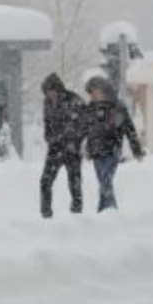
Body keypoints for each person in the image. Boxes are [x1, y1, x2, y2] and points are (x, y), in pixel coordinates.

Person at [85, 76, 145, 212]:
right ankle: (104, 211)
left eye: (94, 92)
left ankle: (110, 210)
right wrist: (86, 148)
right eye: (90, 93)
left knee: (106, 181)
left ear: (103, 90)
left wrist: (137, 151)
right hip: (96, 152)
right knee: (103, 183)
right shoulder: (90, 108)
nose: (92, 96)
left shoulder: (118, 107)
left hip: (112, 150)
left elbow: (129, 130)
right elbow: (87, 130)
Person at [40, 73, 87, 218]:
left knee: (74, 182)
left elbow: (85, 124)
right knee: (45, 181)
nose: (50, 95)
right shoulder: (47, 103)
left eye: (51, 91)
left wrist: (75, 140)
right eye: (47, 93)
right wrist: (48, 137)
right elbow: (47, 122)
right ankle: (45, 213)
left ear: (58, 89)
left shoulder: (75, 100)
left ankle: (77, 213)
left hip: (72, 148)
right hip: (54, 148)